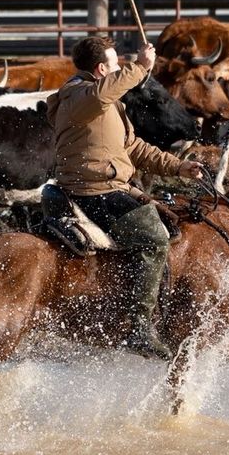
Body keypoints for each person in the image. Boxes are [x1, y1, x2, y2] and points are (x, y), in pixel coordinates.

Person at [44, 34, 206, 360]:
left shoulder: (103, 104)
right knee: (155, 238)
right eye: (116, 65)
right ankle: (137, 326)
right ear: (102, 69)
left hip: (112, 188)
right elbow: (103, 92)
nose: (122, 70)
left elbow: (133, 148)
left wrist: (178, 167)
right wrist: (141, 66)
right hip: (94, 192)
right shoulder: (79, 96)